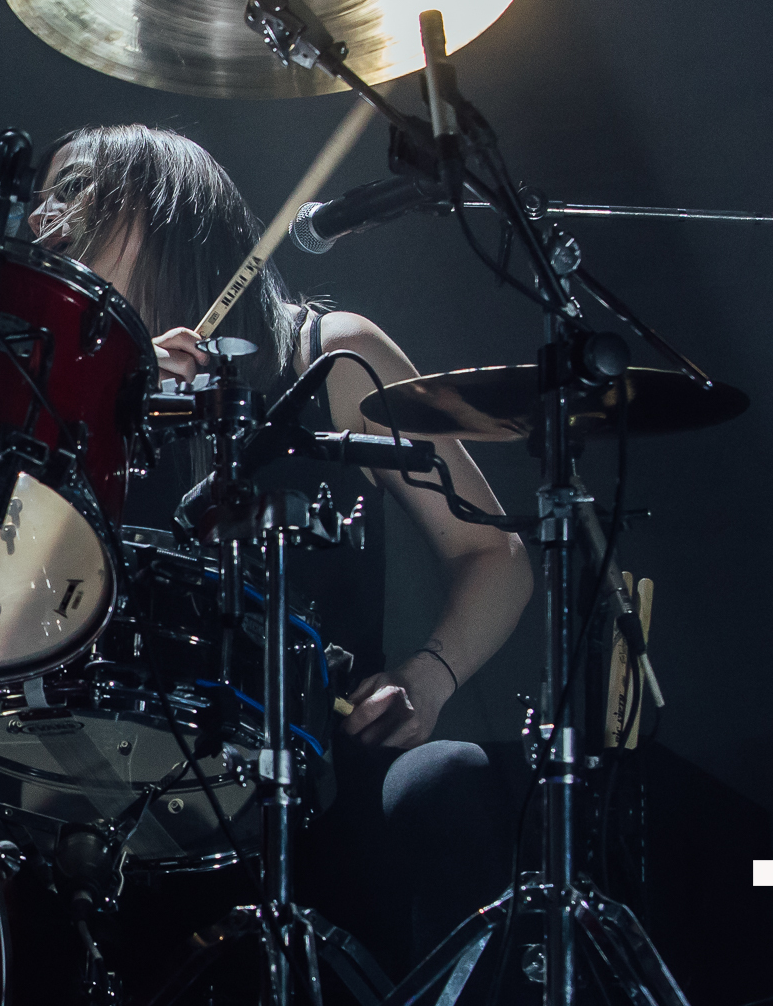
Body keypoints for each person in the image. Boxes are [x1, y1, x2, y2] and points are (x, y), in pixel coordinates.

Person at [29, 124, 534, 975]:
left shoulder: (332, 354)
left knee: (440, 797)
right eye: (43, 198)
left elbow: (496, 555)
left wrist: (429, 677)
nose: (45, 218)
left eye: (75, 189)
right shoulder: (70, 394)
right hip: (115, 796)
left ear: (162, 211)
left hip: (323, 782)